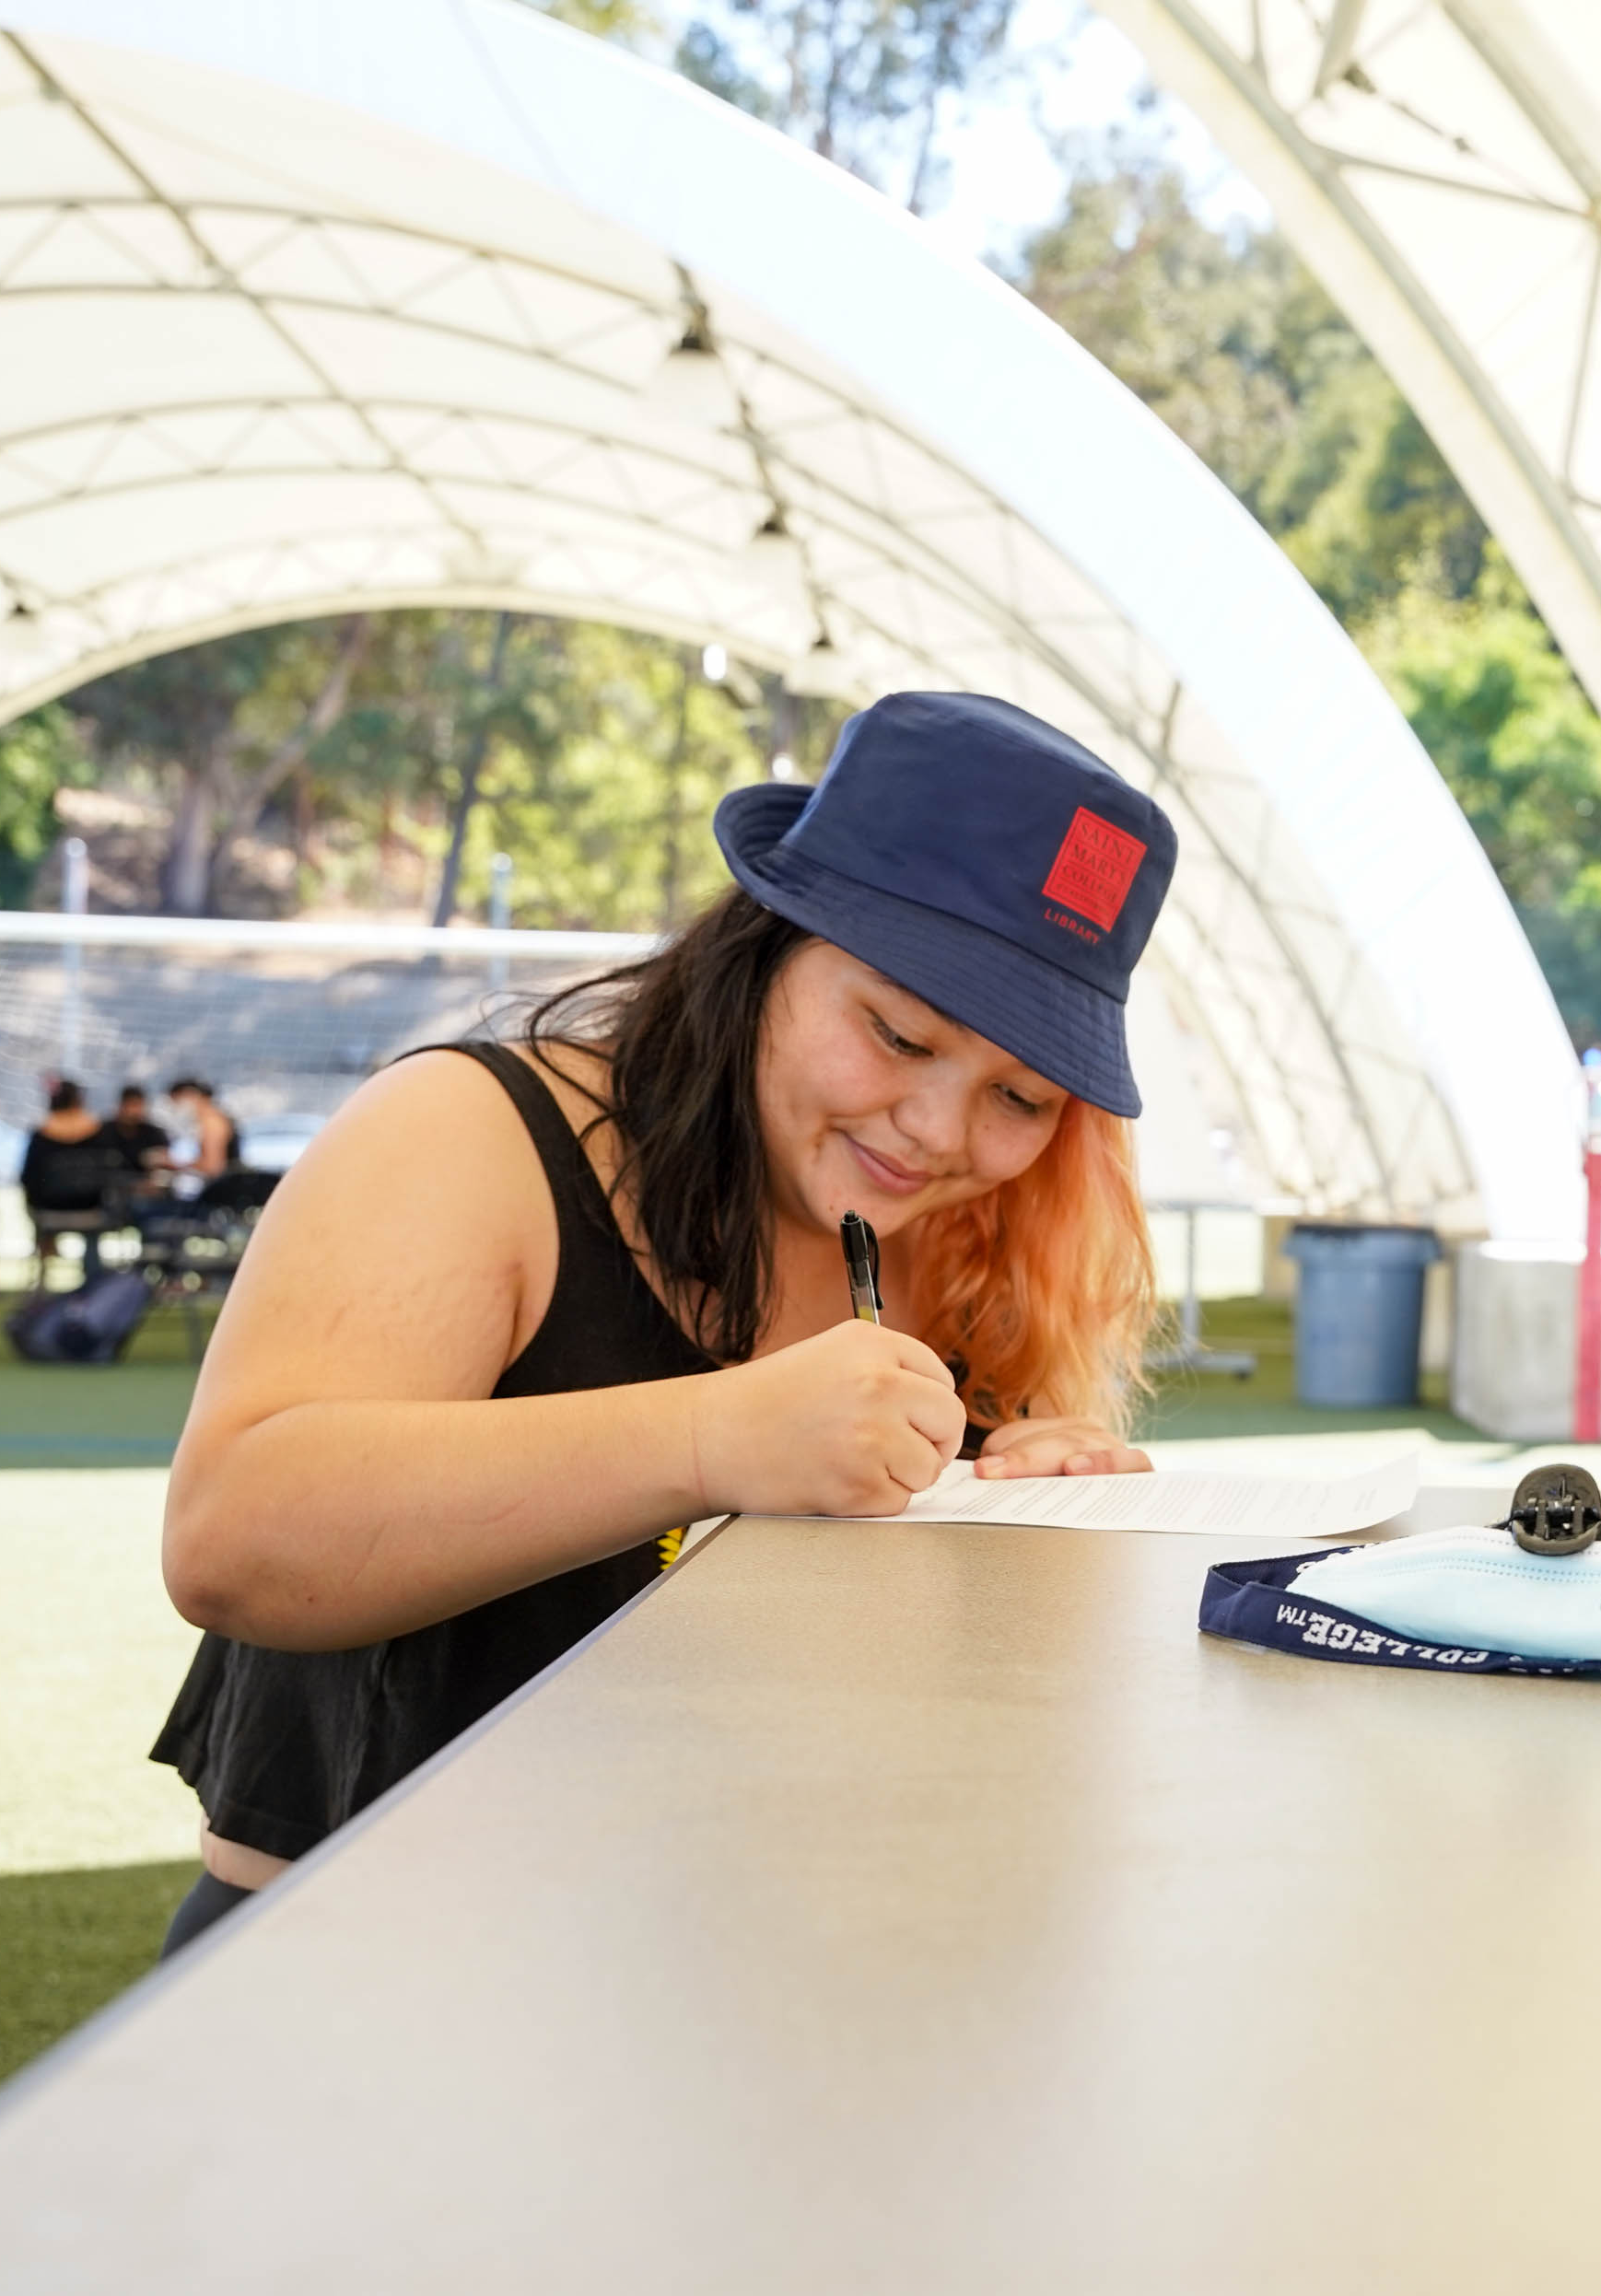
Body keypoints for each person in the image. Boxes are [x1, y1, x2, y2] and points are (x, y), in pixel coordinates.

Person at [149, 693, 1174, 1953]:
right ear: (763, 949)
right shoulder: (468, 1135)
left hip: (748, 1965)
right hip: (361, 1970)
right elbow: (233, 1537)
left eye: (1022, 1096)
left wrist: (1028, 1522)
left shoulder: (978, 1241)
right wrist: (717, 1435)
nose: (942, 1134)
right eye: (899, 1034)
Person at [18, 1078, 120, 1220]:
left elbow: (27, 1177)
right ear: (78, 1100)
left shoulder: (40, 1135)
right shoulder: (99, 1131)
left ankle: (45, 1241)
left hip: (48, 1205)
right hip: (92, 1204)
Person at [99, 1083, 176, 1190]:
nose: (134, 1111)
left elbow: (167, 1160)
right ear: (122, 1106)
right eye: (131, 1105)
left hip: (145, 1186)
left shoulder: (154, 1133)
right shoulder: (105, 1131)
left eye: (138, 1105)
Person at [164, 1076, 238, 1183]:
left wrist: (174, 1164)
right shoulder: (211, 1119)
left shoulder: (212, 1122)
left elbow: (213, 1167)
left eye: (177, 1102)